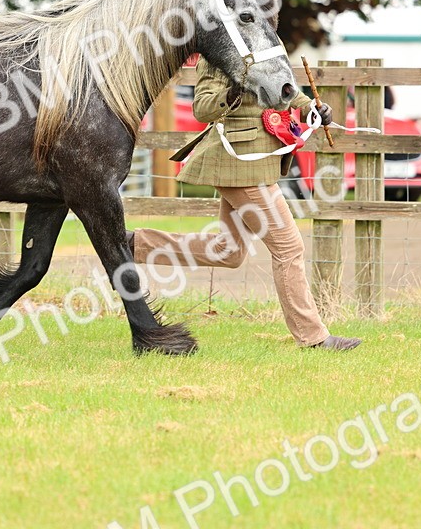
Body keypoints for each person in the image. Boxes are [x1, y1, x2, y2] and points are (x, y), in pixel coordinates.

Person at [129, 57, 362, 351]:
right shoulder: (219, 55)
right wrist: (232, 93)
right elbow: (202, 108)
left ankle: (133, 245)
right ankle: (313, 338)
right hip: (239, 164)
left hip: (258, 163)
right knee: (288, 248)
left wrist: (310, 108)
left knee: (229, 251)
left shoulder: (265, 45)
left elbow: (286, 89)